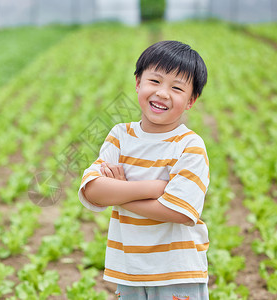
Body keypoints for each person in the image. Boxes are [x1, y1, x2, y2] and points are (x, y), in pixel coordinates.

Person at [78, 40, 210, 300]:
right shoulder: (120, 136)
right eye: (155, 81)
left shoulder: (189, 145)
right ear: (138, 83)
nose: (162, 93)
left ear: (191, 100)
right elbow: (92, 190)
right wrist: (153, 188)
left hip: (177, 272)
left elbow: (180, 211)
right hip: (129, 272)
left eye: (176, 88)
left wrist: (119, 194)